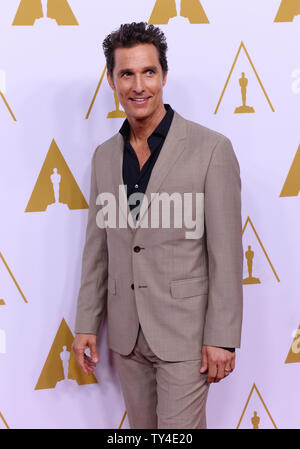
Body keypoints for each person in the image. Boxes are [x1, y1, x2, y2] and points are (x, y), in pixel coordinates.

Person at [72, 22, 243, 429]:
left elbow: (226, 255)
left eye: (148, 72)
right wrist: (85, 325)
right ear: (111, 79)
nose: (138, 85)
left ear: (164, 75)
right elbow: (98, 249)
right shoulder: (103, 157)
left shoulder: (211, 149)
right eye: (126, 73)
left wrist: (222, 337)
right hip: (127, 337)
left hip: (186, 336)